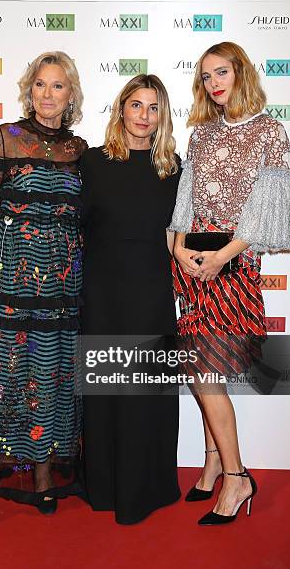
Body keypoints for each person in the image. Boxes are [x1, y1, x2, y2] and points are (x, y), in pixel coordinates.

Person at [0, 51, 87, 525]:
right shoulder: (4, 138)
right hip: (6, 277)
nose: (47, 94)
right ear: (29, 90)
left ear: (71, 96)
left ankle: (45, 475)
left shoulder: (80, 150)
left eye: (58, 86)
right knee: (0, 379)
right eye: (40, 85)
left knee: (51, 376)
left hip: (62, 285)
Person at [169, 41, 290, 525]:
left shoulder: (270, 131)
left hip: (234, 266)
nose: (214, 83)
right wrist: (177, 249)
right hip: (193, 266)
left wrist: (221, 258)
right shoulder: (201, 135)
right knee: (202, 372)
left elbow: (267, 214)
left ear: (241, 72)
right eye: (206, 76)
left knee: (207, 373)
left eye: (221, 72)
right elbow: (183, 205)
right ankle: (210, 467)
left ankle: (237, 476)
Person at [80, 74, 182, 524]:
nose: (144, 116)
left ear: (163, 115)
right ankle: (103, 485)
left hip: (152, 289)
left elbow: (179, 235)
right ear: (121, 108)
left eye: (153, 107)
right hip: (102, 290)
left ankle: (147, 487)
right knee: (105, 390)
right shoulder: (93, 162)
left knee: (145, 392)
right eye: (136, 105)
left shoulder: (172, 167)